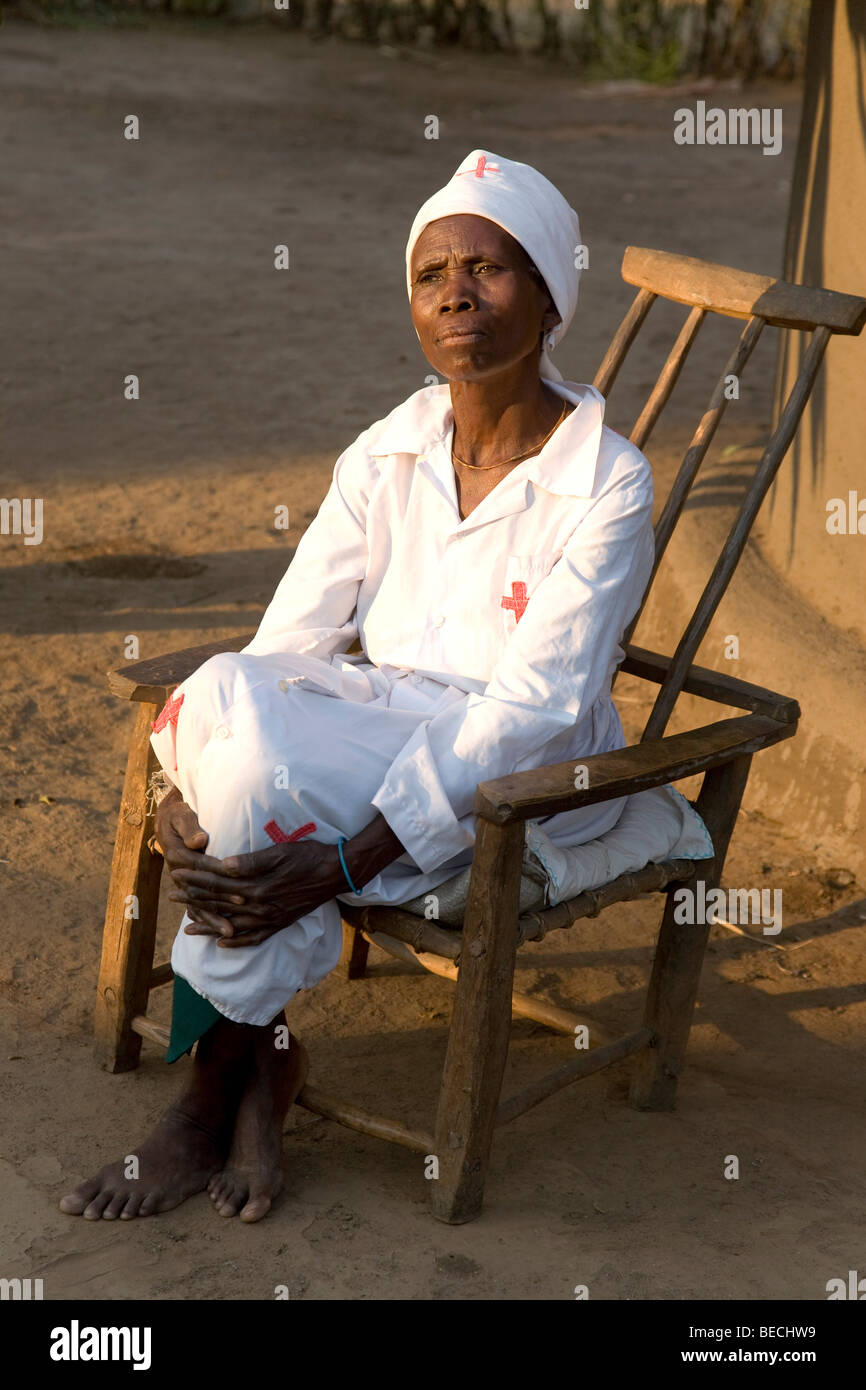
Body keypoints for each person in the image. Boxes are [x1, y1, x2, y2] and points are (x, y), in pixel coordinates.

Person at [60, 148, 654, 1224]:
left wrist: (346, 855)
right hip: (360, 724)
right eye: (431, 275)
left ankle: (217, 1091)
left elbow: (539, 710)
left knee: (249, 770)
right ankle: (257, 1070)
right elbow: (283, 648)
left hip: (511, 773)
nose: (455, 292)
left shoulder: (607, 479)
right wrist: (188, 795)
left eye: (488, 267)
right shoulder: (388, 447)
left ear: (548, 299)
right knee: (228, 693)